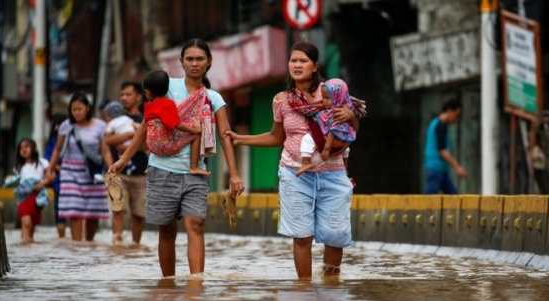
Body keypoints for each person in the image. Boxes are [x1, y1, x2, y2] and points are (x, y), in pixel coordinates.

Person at [225, 41, 361, 279]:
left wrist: (351, 114)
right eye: (293, 60)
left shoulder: (332, 92)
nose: (297, 65)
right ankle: (304, 288)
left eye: (303, 61)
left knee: (335, 235)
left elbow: (352, 130)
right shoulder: (282, 100)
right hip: (294, 173)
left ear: (315, 65)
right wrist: (241, 138)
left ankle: (331, 285)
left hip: (333, 172)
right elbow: (276, 137)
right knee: (302, 235)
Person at [109, 38, 244, 277]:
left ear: (209, 62)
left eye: (200, 59)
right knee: (167, 230)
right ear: (181, 61)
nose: (194, 63)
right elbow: (145, 126)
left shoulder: (213, 98)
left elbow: (225, 136)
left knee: (196, 225)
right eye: (190, 59)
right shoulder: (165, 86)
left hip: (195, 171)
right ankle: (168, 284)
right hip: (161, 169)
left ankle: (196, 281)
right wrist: (124, 160)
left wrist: (234, 173)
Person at [45, 92, 115, 242]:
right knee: (74, 210)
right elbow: (57, 149)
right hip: (70, 173)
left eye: (79, 109)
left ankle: (89, 244)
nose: (76, 112)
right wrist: (51, 168)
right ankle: (76, 244)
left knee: (93, 212)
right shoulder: (66, 126)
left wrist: (111, 171)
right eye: (73, 109)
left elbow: (105, 151)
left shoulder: (100, 126)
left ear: (87, 109)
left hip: (93, 174)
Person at [142, 68, 209, 176]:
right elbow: (176, 124)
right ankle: (194, 166)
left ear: (148, 93)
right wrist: (193, 129)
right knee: (196, 135)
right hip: (164, 144)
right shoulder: (168, 105)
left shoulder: (148, 106)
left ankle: (151, 166)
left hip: (152, 146)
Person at [104, 81, 148, 246]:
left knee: (139, 213)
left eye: (128, 94)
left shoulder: (145, 118)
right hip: (117, 172)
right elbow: (108, 140)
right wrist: (132, 137)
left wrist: (126, 148)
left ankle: (136, 245)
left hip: (140, 173)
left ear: (138, 97)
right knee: (117, 210)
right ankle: (117, 242)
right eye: (122, 94)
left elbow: (150, 143)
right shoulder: (117, 119)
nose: (124, 98)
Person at [296, 77, 356, 176]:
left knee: (307, 138)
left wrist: (326, 149)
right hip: (342, 141)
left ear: (337, 97)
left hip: (331, 141)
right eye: (323, 97)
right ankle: (345, 166)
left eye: (328, 98)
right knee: (347, 150)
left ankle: (306, 162)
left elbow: (333, 129)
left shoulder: (336, 113)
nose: (324, 101)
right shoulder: (346, 109)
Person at [6, 138, 54, 244]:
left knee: (32, 224)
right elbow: (14, 178)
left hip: (37, 197)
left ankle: (27, 244)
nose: (24, 150)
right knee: (26, 222)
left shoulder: (43, 163)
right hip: (23, 197)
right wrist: (9, 179)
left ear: (34, 148)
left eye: (26, 147)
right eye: (21, 148)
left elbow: (51, 176)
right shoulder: (19, 167)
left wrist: (42, 183)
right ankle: (24, 243)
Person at [423, 98, 468, 194]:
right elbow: (442, 150)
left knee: (453, 198)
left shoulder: (437, 124)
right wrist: (458, 167)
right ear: (449, 111)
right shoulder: (440, 126)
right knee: (430, 199)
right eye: (456, 115)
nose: (456, 119)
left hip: (441, 169)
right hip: (436, 168)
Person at [44, 112, 69, 238]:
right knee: (60, 212)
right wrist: (60, 168)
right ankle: (62, 238)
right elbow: (48, 160)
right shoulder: (53, 141)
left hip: (72, 180)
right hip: (60, 182)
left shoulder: (70, 138)